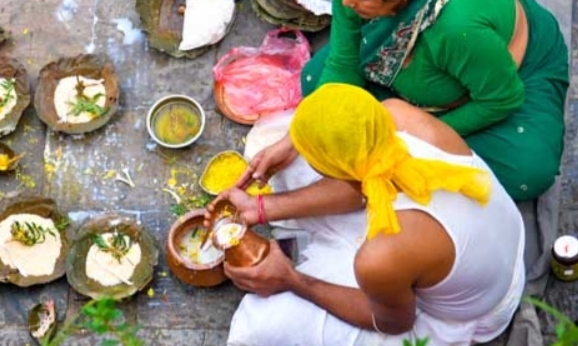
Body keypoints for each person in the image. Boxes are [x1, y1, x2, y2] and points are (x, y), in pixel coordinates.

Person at [255, 0, 568, 201]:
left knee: (528, 170)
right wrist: (294, 139)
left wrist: (419, 134)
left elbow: (502, 99)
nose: (347, 2)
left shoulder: (458, 30)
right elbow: (342, 65)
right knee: (317, 84)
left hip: (510, 75)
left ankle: (413, 114)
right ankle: (407, 104)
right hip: (439, 66)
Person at [210, 83, 525, 346]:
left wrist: (291, 279)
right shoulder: (395, 113)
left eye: (313, 158)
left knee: (257, 325)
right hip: (483, 248)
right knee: (277, 147)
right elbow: (359, 181)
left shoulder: (380, 259)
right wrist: (261, 206)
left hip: (466, 312)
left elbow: (394, 323)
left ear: (337, 171)